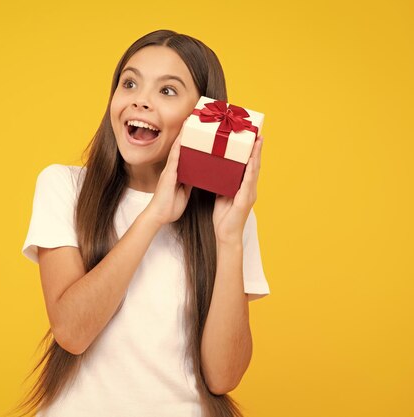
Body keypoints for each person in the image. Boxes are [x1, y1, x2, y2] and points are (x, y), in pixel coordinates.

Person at [15, 29, 270, 417]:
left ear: (201, 115)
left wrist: (231, 237)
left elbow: (223, 376)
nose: (140, 100)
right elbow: (71, 332)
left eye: (167, 91)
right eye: (129, 83)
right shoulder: (64, 187)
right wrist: (154, 216)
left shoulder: (228, 217)